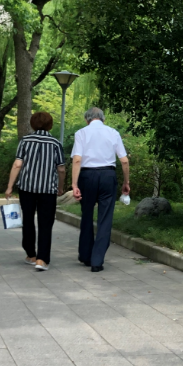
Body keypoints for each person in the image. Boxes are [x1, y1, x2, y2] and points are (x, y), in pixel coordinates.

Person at [71, 107, 130, 272]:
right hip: (107, 176)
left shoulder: (81, 133)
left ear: (87, 119)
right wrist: (126, 182)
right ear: (103, 119)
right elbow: (124, 161)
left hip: (87, 176)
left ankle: (85, 255)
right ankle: (97, 260)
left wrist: (74, 184)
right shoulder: (113, 133)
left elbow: (77, 160)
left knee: (87, 215)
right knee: (105, 218)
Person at [5, 111, 65, 271]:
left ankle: (31, 255)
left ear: (32, 124)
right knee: (46, 223)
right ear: (50, 125)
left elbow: (17, 164)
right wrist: (60, 187)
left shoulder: (25, 141)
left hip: (27, 188)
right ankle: (42, 260)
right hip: (48, 189)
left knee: (28, 220)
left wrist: (10, 186)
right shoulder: (55, 143)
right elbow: (61, 169)